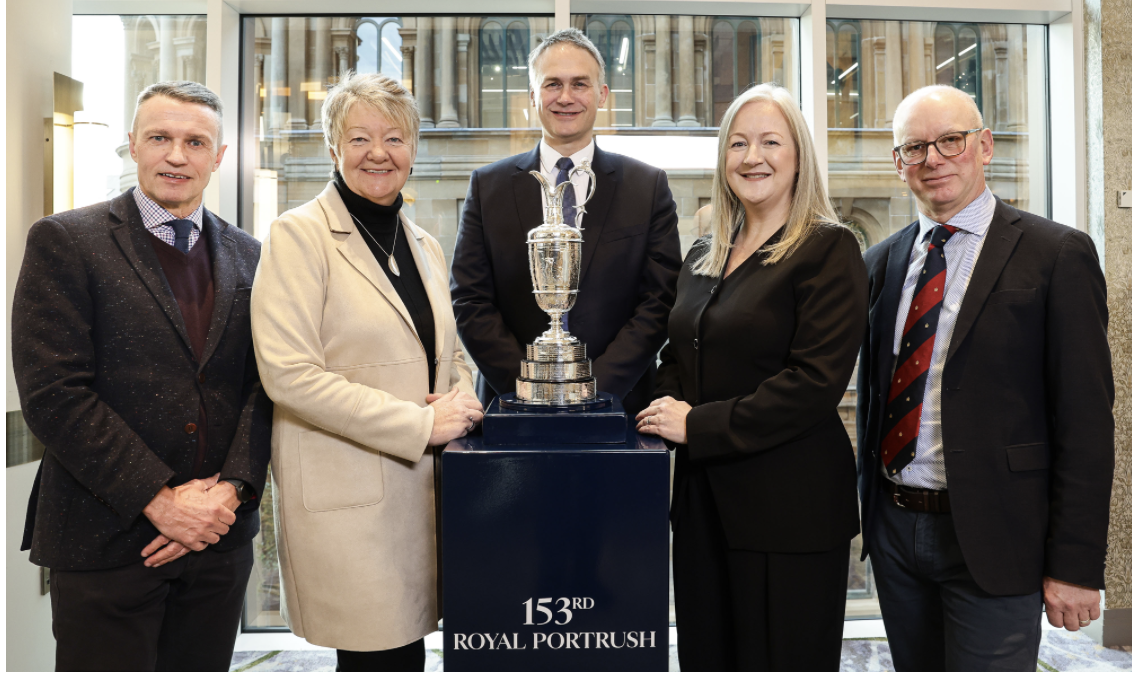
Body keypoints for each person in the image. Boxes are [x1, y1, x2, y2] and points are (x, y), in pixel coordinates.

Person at [12, 81, 272, 671]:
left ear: (219, 156)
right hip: (106, 539)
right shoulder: (66, 240)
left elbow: (265, 387)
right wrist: (159, 500)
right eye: (159, 138)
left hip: (217, 540)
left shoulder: (252, 254)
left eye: (195, 142)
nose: (176, 155)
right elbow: (54, 393)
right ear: (133, 144)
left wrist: (231, 491)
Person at [855, 85, 1115, 671]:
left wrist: (1075, 564)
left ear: (986, 146)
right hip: (895, 533)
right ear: (899, 163)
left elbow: (1086, 422)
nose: (933, 159)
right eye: (915, 147)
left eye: (951, 140)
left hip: (999, 535)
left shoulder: (1056, 254)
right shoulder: (880, 263)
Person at [250, 71, 481, 672]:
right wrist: (422, 425)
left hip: (425, 494)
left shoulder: (425, 243)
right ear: (334, 148)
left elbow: (448, 355)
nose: (378, 153)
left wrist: (462, 399)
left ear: (414, 149)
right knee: (377, 658)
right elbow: (289, 375)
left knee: (406, 655)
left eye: (394, 138)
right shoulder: (297, 236)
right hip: (352, 500)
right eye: (359, 138)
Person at [636, 83, 868, 671]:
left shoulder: (829, 249)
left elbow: (814, 383)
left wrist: (696, 425)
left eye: (770, 142)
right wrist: (666, 405)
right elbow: (677, 355)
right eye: (737, 144)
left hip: (788, 510)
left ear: (799, 156)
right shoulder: (704, 253)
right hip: (702, 506)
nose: (751, 157)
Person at [450, 28, 682, 417]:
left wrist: (592, 391)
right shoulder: (487, 186)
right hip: (513, 407)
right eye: (552, 84)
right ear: (532, 95)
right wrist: (530, 389)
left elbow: (659, 301)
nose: (565, 97)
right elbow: (470, 300)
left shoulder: (647, 186)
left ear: (602, 95)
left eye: (579, 84)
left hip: (617, 407)